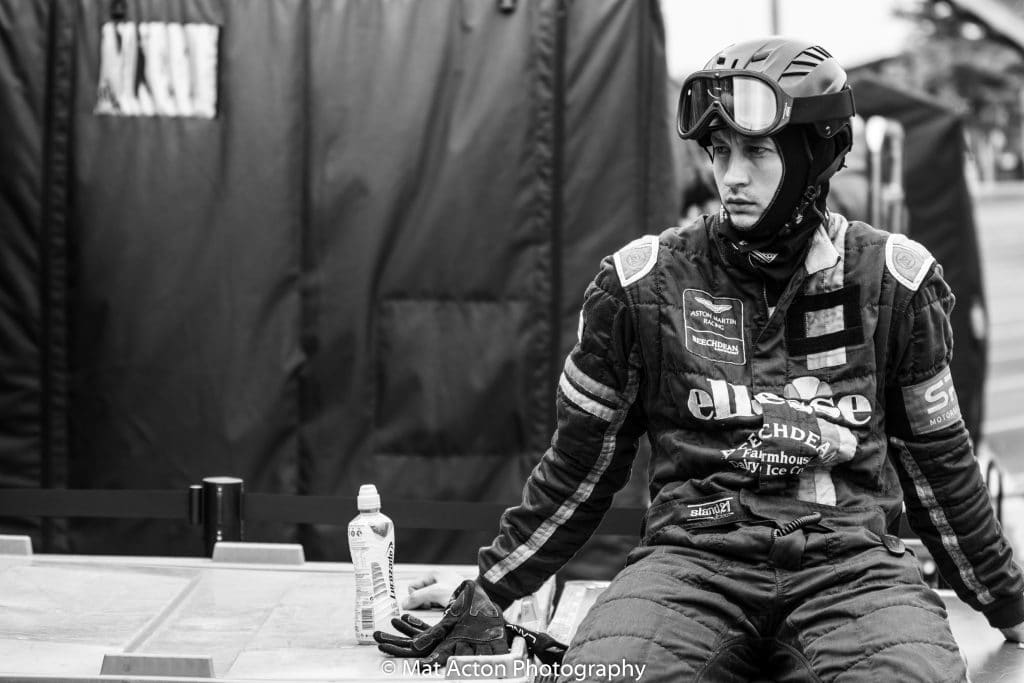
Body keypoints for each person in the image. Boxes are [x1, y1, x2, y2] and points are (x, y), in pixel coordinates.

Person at [376, 36, 1024, 681]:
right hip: (690, 563)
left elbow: (941, 469)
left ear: (817, 153)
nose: (731, 176)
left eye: (757, 151)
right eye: (719, 151)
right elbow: (579, 467)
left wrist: (1012, 605)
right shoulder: (641, 284)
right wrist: (491, 588)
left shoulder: (895, 282)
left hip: (855, 570)